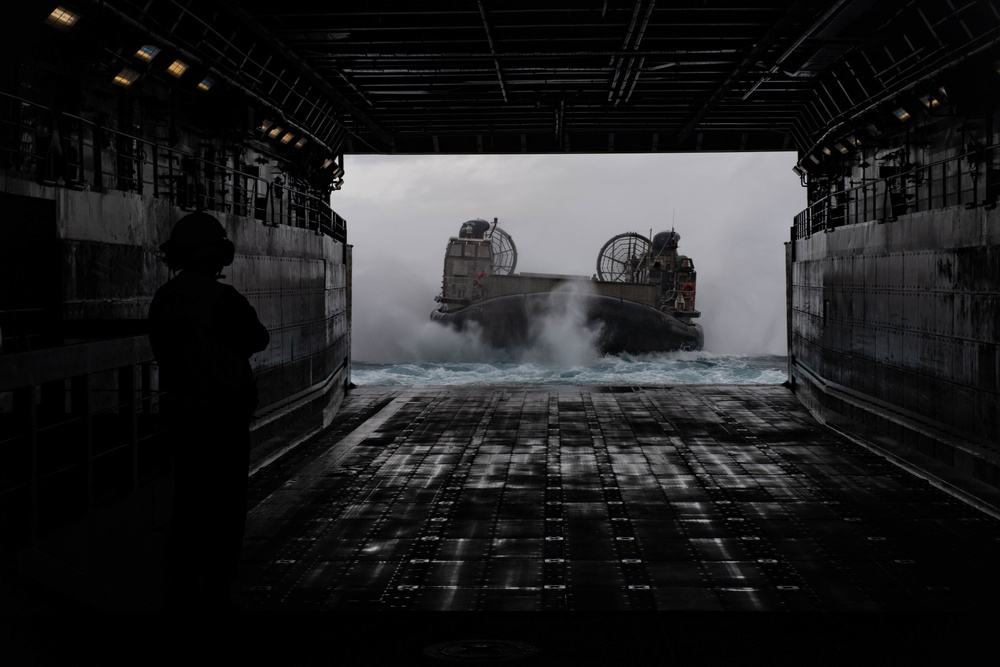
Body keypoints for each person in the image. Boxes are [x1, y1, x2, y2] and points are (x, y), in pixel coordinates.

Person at [148, 211, 269, 610]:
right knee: (225, 505)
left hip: (181, 413)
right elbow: (257, 339)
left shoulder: (164, 299)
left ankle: (180, 583)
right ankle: (216, 585)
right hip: (223, 417)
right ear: (220, 255)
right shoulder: (223, 299)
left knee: (187, 499)